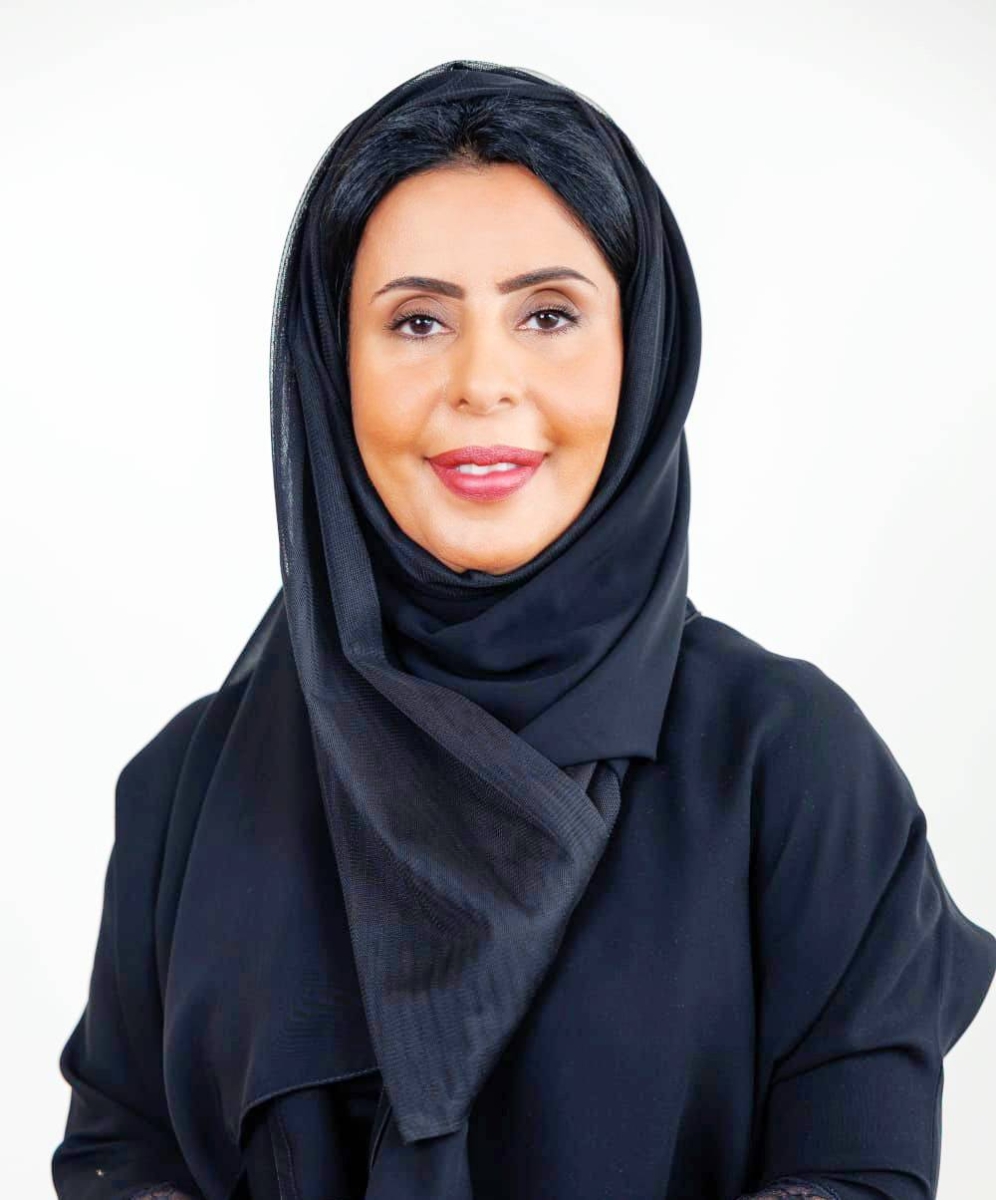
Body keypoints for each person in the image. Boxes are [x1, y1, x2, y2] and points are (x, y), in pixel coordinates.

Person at [51, 59, 996, 1200]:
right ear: (331, 367)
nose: (482, 381)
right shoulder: (189, 791)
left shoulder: (792, 768)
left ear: (642, 353)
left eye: (548, 315)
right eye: (417, 321)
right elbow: (120, 1155)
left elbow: (857, 1176)